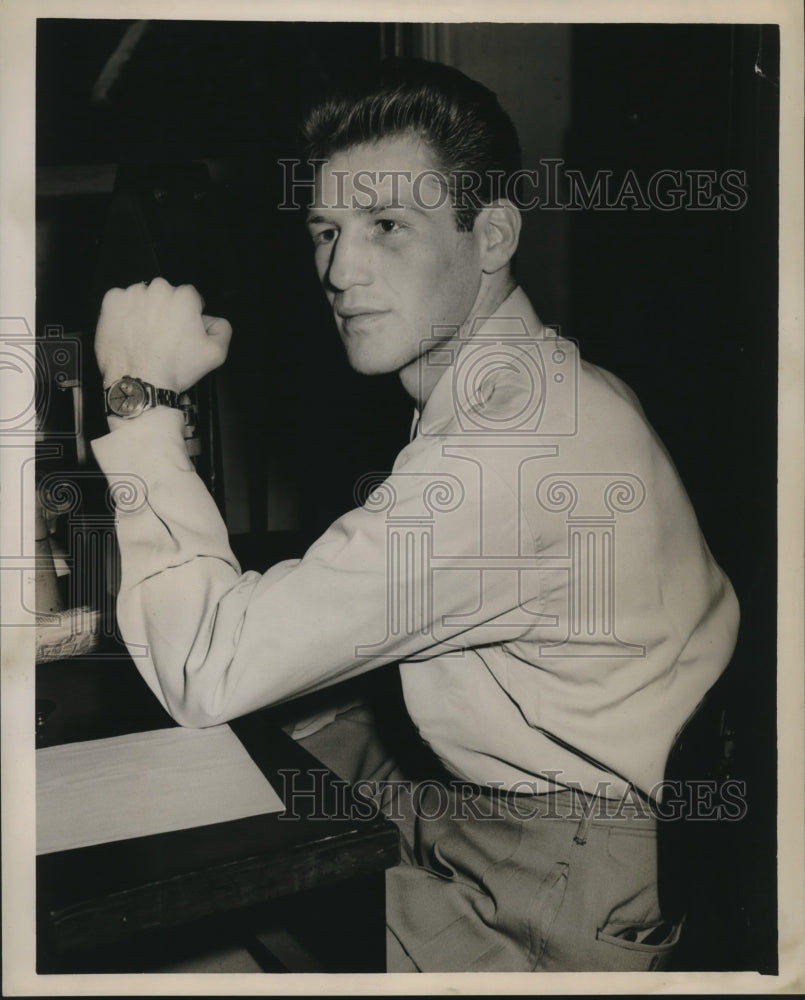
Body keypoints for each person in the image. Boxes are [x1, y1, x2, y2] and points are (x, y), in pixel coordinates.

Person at [91, 58, 739, 972]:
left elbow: (208, 669)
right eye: (325, 228)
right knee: (279, 750)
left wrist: (140, 399)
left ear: (492, 233)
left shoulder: (509, 445)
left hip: (553, 884)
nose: (339, 270)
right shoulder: (536, 380)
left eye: (386, 226)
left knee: (188, 949)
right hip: (507, 798)